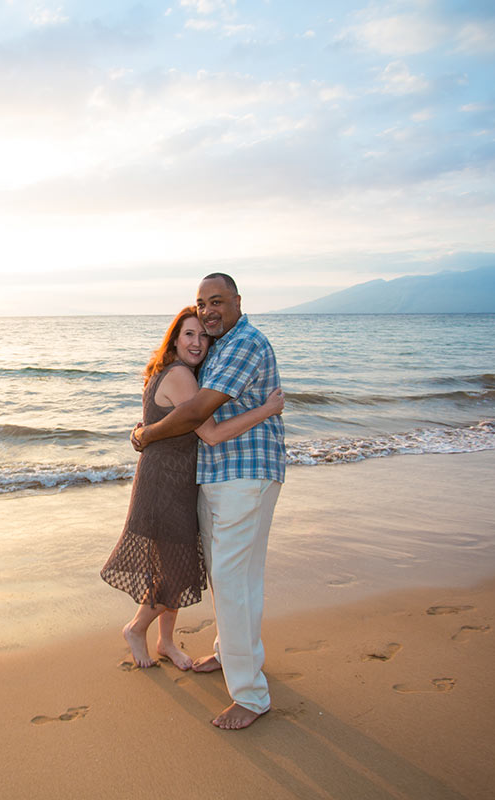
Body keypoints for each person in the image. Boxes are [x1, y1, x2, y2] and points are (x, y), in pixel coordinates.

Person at [131, 273, 286, 731]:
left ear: (238, 301)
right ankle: (234, 655)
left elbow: (197, 414)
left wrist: (144, 435)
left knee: (233, 581)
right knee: (237, 580)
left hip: (244, 475)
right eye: (201, 304)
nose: (208, 311)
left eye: (216, 301)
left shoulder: (243, 344)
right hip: (224, 477)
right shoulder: (218, 345)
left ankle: (251, 696)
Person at [102, 307, 284, 674]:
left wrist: (143, 433)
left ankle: (166, 642)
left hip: (173, 478)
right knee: (175, 571)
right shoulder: (182, 376)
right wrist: (267, 409)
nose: (198, 342)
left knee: (172, 563)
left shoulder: (168, 372)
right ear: (175, 339)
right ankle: (136, 629)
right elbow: (213, 434)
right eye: (189, 334)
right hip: (167, 483)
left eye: (203, 336)